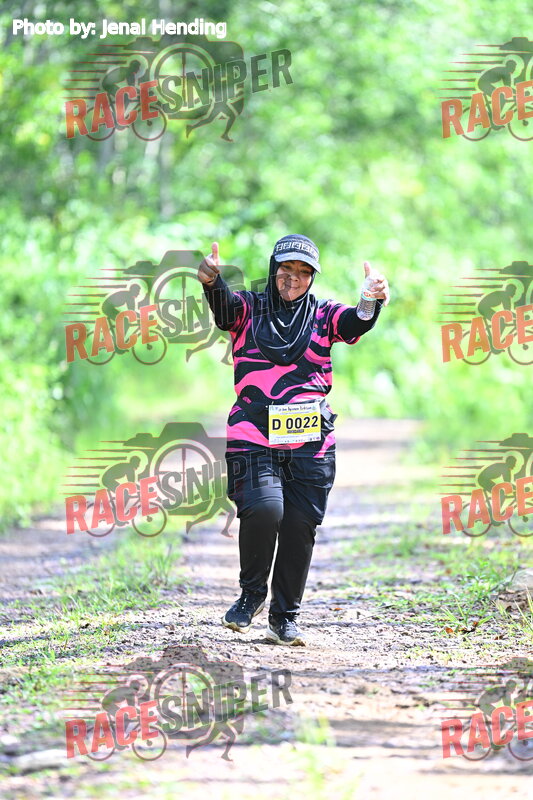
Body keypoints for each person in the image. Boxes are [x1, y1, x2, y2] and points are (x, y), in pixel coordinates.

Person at [198, 234, 389, 646]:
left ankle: (284, 618)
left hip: (311, 442)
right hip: (253, 434)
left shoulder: (323, 314)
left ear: (312, 277)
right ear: (274, 268)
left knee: (300, 526)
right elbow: (224, 308)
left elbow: (355, 322)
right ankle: (251, 595)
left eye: (304, 272)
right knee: (264, 509)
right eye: (287, 269)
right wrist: (212, 281)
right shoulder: (248, 308)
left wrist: (370, 298)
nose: (294, 278)